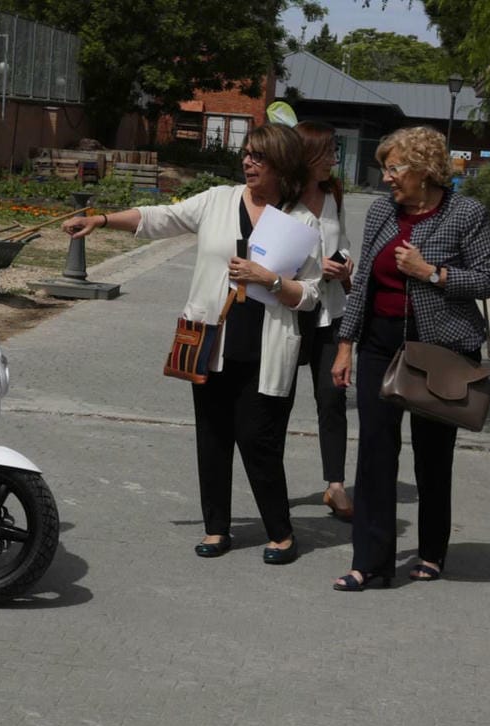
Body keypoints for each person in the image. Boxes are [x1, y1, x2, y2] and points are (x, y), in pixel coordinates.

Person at [64, 123, 320, 564]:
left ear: (281, 163)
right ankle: (216, 529)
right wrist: (101, 219)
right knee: (213, 439)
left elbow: (311, 295)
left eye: (258, 156)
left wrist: (271, 280)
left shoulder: (301, 220)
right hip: (212, 340)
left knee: (258, 442)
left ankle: (281, 533)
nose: (248, 162)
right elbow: (159, 217)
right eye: (246, 154)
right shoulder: (219, 200)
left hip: (266, 349)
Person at [331, 126, 490, 590]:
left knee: (432, 456)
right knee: (374, 454)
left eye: (394, 168)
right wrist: (346, 343)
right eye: (385, 168)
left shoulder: (466, 213)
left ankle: (431, 551)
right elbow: (363, 278)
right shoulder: (384, 211)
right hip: (379, 344)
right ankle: (371, 562)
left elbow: (488, 279)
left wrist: (432, 273)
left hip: (440, 349)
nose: (386, 178)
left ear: (424, 170)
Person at [295, 121, 355, 521]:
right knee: (273, 400)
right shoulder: (280, 196)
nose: (335, 158)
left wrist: (346, 265)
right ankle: (270, 482)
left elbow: (344, 241)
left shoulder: (333, 192)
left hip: (331, 313)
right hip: (290, 312)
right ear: (307, 155)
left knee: (332, 398)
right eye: (329, 151)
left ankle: (335, 485)